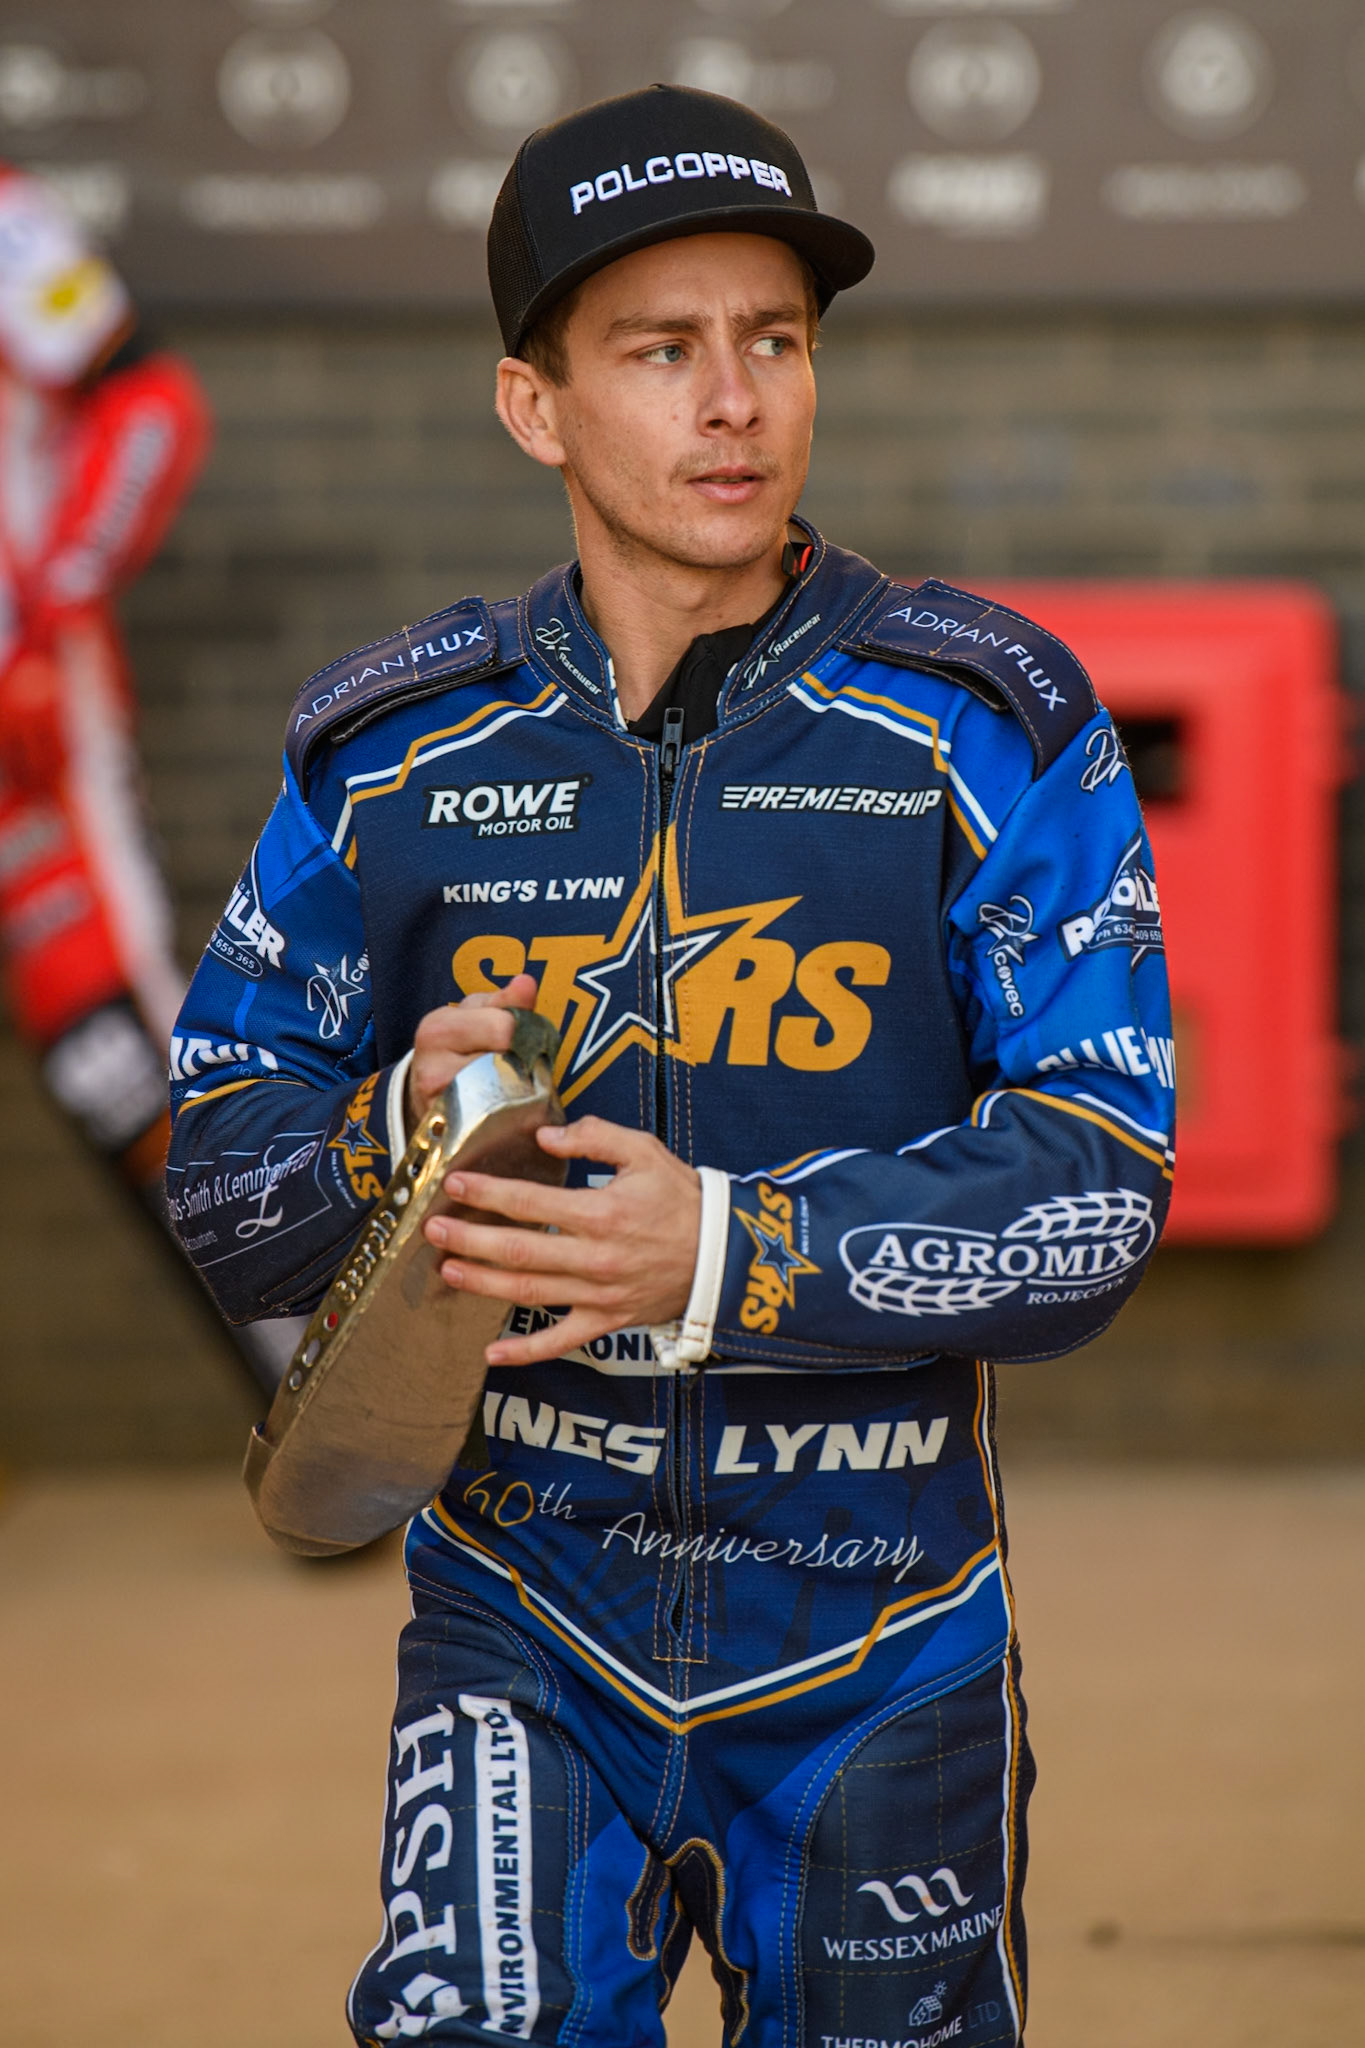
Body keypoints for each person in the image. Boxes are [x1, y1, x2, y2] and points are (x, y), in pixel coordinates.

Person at [168, 86, 1173, 2046]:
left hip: (881, 1647)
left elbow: (1095, 1184)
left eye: (773, 341)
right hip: (517, 1629)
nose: (733, 400)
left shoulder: (988, 722)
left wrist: (718, 1253)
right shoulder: (388, 753)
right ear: (532, 403)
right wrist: (391, 1131)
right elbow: (218, 1180)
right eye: (658, 349)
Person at [0, 166, 297, 1396]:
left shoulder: (7, 223)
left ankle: (316, 1396)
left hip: (24, 728)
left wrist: (55, 597)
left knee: (116, 1055)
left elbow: (153, 405)